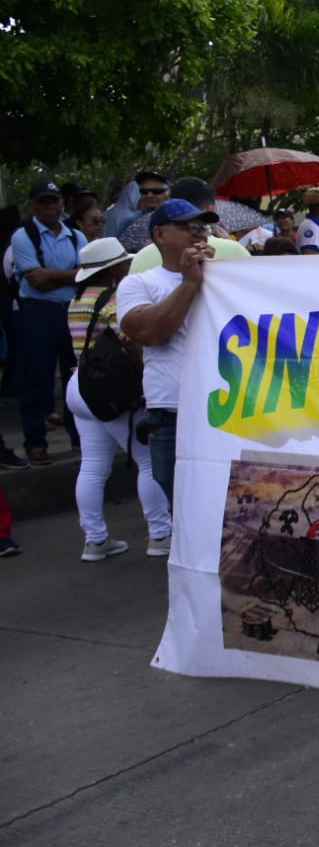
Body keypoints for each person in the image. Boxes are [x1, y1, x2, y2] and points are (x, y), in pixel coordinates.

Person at [65, 239, 171, 561]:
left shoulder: (78, 300)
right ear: (115, 269)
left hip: (79, 385)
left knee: (93, 465)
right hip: (111, 390)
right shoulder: (115, 301)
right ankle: (161, 535)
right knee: (148, 459)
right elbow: (133, 343)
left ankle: (95, 540)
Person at [117, 199, 216, 505]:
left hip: (224, 413)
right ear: (160, 235)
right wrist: (189, 283)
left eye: (203, 227)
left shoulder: (224, 278)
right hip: (172, 416)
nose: (199, 234)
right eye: (189, 227)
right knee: (184, 508)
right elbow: (150, 332)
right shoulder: (138, 283)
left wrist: (217, 275)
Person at [10, 177, 88, 466]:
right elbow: (36, 279)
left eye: (55, 201)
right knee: (36, 377)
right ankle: (35, 443)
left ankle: (78, 436)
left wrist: (55, 275)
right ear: (32, 205)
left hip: (71, 310)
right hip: (38, 311)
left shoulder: (75, 235)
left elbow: (85, 275)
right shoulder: (23, 236)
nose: (51, 207)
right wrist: (70, 275)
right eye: (44, 201)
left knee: (76, 375)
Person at [130, 178, 250, 272]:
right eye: (185, 228)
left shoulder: (141, 258)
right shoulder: (236, 251)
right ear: (210, 209)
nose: (198, 235)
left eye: (200, 228)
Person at [112, 171, 170, 248]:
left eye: (156, 191)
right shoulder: (130, 221)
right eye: (144, 192)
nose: (149, 195)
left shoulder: (178, 218)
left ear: (168, 193)